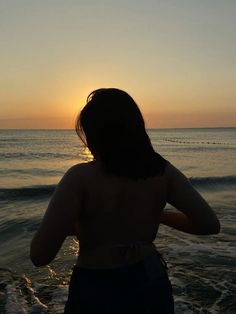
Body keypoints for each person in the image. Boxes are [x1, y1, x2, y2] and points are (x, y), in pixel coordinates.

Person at [30, 88, 220, 313]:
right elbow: (209, 224)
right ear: (137, 128)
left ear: (94, 135)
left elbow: (40, 255)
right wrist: (157, 216)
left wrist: (78, 225)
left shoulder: (79, 177)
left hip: (97, 286)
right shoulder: (163, 171)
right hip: (150, 279)